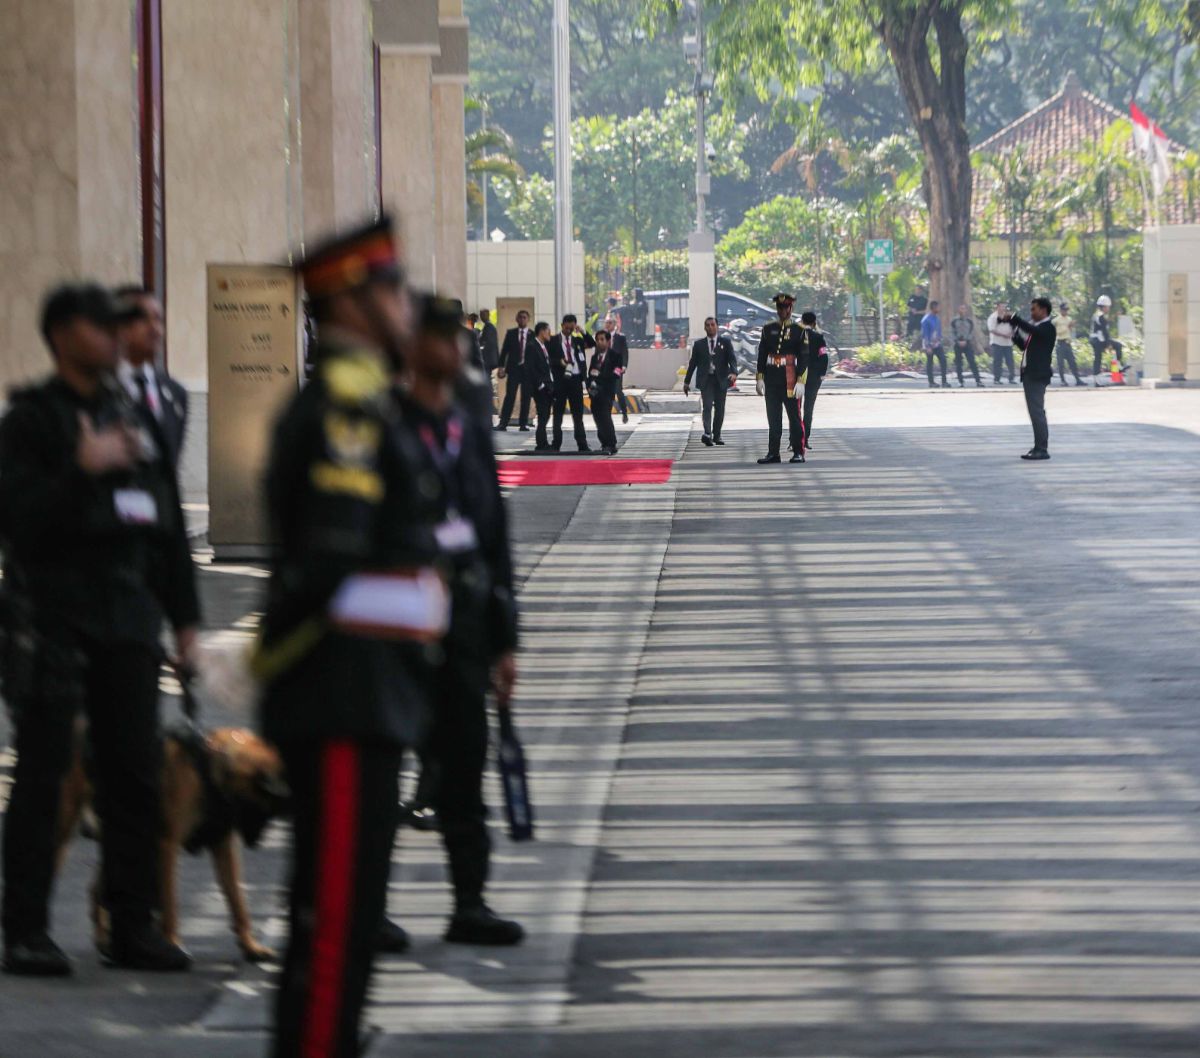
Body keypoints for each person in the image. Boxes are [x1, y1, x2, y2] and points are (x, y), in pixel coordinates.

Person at [254, 217, 447, 1058]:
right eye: (395, 291)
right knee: (334, 922)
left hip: (369, 690)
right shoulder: (344, 407)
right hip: (340, 691)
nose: (409, 307)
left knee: (351, 912)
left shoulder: (370, 399)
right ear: (355, 301)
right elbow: (329, 564)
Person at [1, 283, 200, 976]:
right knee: (45, 775)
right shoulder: (31, 421)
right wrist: (78, 473)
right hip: (53, 620)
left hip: (127, 619)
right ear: (62, 335)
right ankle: (24, 927)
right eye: (102, 324)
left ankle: (131, 923)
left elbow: (167, 527)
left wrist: (187, 622)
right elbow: (16, 520)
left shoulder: (133, 415)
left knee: (134, 776)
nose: (118, 335)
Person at [393, 295, 524, 945]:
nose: (456, 350)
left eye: (458, 340)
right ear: (410, 346)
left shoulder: (468, 429)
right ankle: (370, 905)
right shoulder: (381, 427)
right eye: (440, 338)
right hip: (392, 631)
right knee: (380, 769)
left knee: (465, 767)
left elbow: (495, 538)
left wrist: (506, 642)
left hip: (463, 626)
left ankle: (469, 900)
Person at [114, 285, 190, 468]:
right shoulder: (96, 388)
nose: (155, 328)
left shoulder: (175, 393)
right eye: (143, 319)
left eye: (158, 319)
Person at [755, 292, 807, 465]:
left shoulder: (799, 331)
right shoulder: (768, 329)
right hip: (772, 377)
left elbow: (804, 357)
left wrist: (801, 380)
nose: (782, 311)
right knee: (773, 418)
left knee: (794, 417)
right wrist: (760, 377)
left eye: (785, 308)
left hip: (790, 377)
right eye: (779, 307)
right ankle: (773, 453)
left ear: (791, 308)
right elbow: (762, 354)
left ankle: (798, 452)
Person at [1004, 296, 1057, 461]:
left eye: (1034, 309)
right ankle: (1038, 446)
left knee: (1037, 412)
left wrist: (1016, 319)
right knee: (1035, 412)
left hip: (1037, 374)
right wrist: (1015, 332)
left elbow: (1033, 331)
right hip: (1030, 373)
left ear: (1043, 310)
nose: (1032, 312)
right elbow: (1024, 346)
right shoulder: (1038, 328)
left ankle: (1042, 448)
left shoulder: (1047, 327)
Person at [683, 316, 737, 446]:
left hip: (721, 380)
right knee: (707, 406)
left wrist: (734, 372)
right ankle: (708, 434)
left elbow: (732, 359)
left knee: (720, 408)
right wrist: (686, 382)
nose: (710, 327)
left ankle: (717, 435)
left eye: (713, 325)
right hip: (706, 380)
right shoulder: (699, 344)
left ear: (717, 326)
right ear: (704, 327)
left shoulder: (725, 342)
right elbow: (692, 364)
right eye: (708, 325)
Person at [548, 314, 593, 453]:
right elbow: (548, 358)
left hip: (575, 380)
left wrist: (583, 332)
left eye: (571, 328)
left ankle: (582, 444)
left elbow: (592, 344)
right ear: (562, 326)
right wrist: (560, 362)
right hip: (560, 381)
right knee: (558, 414)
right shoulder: (553, 340)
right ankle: (556, 444)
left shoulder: (578, 341)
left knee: (578, 414)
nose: (569, 331)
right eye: (567, 328)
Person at [496, 309, 533, 432]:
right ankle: (503, 423)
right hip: (513, 370)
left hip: (527, 371)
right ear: (517, 319)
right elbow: (504, 351)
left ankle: (523, 424)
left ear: (528, 320)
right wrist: (501, 367)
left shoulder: (532, 335)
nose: (522, 319)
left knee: (526, 397)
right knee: (510, 396)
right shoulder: (511, 333)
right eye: (520, 317)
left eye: (524, 317)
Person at [587, 329, 622, 455]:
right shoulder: (594, 357)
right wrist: (590, 385)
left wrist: (601, 379)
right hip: (595, 393)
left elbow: (616, 373)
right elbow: (590, 373)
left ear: (608, 341)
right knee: (598, 418)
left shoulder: (615, 356)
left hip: (606, 391)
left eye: (602, 339)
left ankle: (611, 443)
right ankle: (603, 442)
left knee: (605, 417)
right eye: (597, 340)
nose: (599, 342)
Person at [799, 311, 829, 450]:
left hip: (796, 377)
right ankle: (805, 440)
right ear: (814, 322)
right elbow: (824, 357)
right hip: (813, 377)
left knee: (795, 410)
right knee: (808, 409)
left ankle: (794, 439)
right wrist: (822, 374)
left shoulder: (795, 337)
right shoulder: (819, 337)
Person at [526, 322, 555, 452]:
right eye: (548, 331)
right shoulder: (532, 346)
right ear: (542, 331)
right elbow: (531, 368)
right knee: (543, 414)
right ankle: (541, 443)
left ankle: (543, 442)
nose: (550, 333)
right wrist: (540, 385)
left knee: (546, 415)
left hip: (548, 385)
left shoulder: (544, 346)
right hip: (540, 387)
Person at [603, 315, 632, 424]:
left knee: (618, 391)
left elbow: (625, 352)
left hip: (617, 368)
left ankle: (624, 412)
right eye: (606, 323)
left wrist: (624, 366)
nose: (608, 325)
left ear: (614, 325)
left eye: (610, 323)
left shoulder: (620, 338)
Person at [1090, 295, 1123, 384]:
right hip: (1098, 340)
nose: (1108, 308)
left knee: (1115, 349)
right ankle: (1097, 380)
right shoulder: (1100, 316)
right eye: (1108, 307)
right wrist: (1108, 344)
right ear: (1104, 307)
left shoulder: (1098, 315)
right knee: (1098, 358)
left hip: (1098, 339)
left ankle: (1117, 372)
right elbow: (1105, 331)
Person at [949, 304, 984, 388]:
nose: (962, 310)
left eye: (964, 309)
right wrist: (957, 341)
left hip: (967, 343)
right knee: (959, 363)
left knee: (972, 361)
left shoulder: (969, 321)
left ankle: (978, 380)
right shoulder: (954, 321)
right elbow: (951, 332)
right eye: (961, 308)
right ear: (958, 310)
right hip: (957, 343)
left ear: (966, 310)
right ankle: (960, 381)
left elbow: (971, 332)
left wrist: (966, 340)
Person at [921, 300, 949, 388]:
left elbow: (938, 331)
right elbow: (925, 334)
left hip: (937, 344)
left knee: (943, 360)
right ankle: (931, 382)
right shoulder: (926, 320)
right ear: (933, 308)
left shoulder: (937, 318)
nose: (939, 309)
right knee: (930, 362)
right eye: (938, 307)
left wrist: (939, 339)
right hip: (929, 344)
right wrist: (928, 346)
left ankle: (944, 381)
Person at [1055, 302, 1084, 385]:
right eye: (1064, 310)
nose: (1066, 311)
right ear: (1060, 310)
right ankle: (1063, 380)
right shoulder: (1056, 320)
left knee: (1072, 362)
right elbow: (1058, 332)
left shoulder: (1069, 319)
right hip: (1060, 343)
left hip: (1067, 343)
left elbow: (1069, 331)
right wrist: (1067, 327)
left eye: (1067, 310)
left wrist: (1070, 327)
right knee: (1061, 364)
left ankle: (1078, 380)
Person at [987, 301, 1016, 384]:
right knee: (997, 361)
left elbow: (1014, 327)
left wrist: (1011, 333)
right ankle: (997, 379)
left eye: (1004, 307)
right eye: (1002, 306)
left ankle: (1011, 378)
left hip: (1008, 343)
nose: (1003, 308)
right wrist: (1003, 335)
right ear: (997, 307)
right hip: (997, 343)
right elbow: (992, 330)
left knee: (1010, 361)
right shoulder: (993, 317)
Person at [478, 308, 500, 374]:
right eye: (481, 315)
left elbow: (489, 343)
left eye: (483, 315)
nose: (481, 317)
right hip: (488, 358)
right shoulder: (487, 326)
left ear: (488, 315)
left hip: (488, 358)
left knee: (486, 376)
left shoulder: (489, 327)